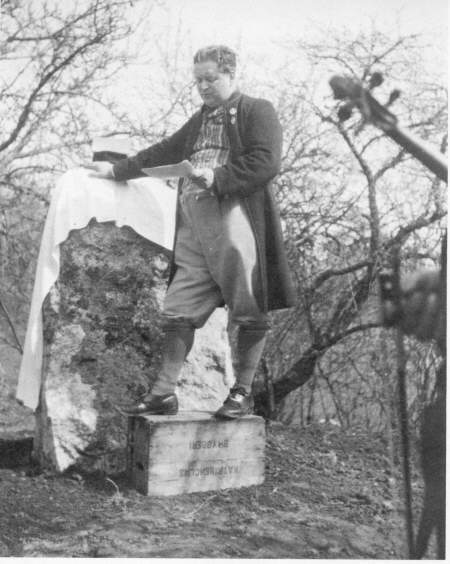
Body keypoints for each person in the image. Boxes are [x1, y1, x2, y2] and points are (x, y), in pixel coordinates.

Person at [87, 45, 295, 419]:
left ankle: (242, 393)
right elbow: (165, 151)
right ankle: (164, 393)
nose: (202, 87)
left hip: (235, 218)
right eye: (197, 80)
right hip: (193, 223)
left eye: (210, 79)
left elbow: (267, 161)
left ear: (231, 74)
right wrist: (118, 171)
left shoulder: (256, 110)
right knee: (179, 306)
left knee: (248, 303)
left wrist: (218, 176)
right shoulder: (199, 119)